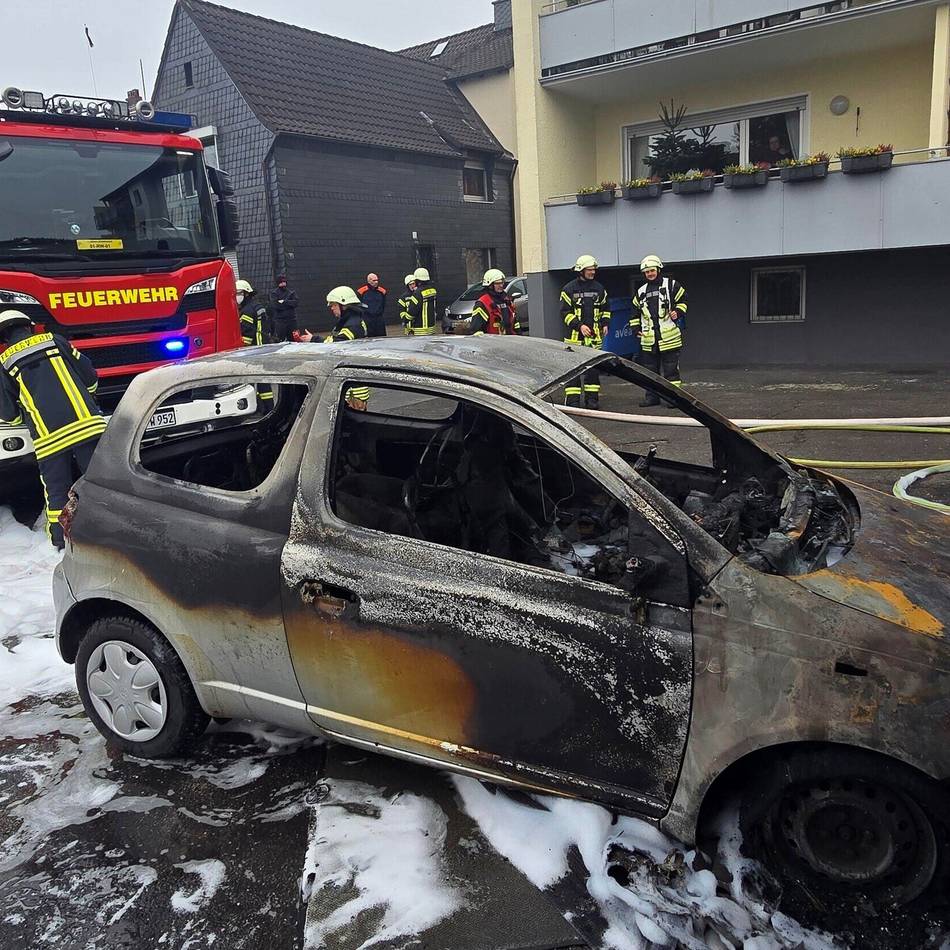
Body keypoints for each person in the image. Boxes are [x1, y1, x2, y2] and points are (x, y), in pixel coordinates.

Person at [0, 309, 106, 548]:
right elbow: (89, 376)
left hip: (50, 439)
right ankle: (109, 529)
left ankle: (60, 540)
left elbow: (7, 412)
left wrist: (24, 421)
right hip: (87, 425)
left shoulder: (5, 362)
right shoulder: (55, 341)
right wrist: (86, 399)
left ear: (4, 337)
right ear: (29, 326)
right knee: (99, 481)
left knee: (57, 492)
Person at [298, 287, 370, 410]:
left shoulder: (352, 325)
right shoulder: (350, 321)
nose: (331, 308)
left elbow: (335, 345)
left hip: (354, 390)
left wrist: (313, 339)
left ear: (344, 305)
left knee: (355, 420)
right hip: (353, 383)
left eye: (333, 305)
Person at [631, 254, 688, 407]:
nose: (649, 274)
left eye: (652, 270)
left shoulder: (671, 285)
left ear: (658, 269)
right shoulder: (641, 291)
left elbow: (684, 300)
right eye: (647, 272)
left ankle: (674, 399)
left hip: (669, 338)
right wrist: (635, 328)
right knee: (650, 372)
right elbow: (635, 312)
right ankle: (652, 398)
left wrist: (678, 311)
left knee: (671, 372)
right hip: (649, 339)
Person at [560, 254, 610, 409]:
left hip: (594, 338)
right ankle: (573, 402)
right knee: (573, 371)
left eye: (593, 269)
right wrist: (579, 325)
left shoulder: (599, 288)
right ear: (581, 270)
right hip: (574, 338)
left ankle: (592, 401)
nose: (592, 272)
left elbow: (605, 309)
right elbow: (565, 313)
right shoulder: (568, 289)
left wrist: (605, 324)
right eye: (589, 270)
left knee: (593, 371)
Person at [470, 269, 519, 335]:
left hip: (510, 341)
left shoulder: (507, 300)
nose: (501, 285)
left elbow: (515, 324)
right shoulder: (482, 304)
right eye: (497, 283)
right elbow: (476, 331)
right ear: (490, 285)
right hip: (492, 343)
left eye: (502, 282)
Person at [404, 267, 438, 336]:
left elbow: (412, 311)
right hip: (431, 328)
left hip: (421, 329)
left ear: (417, 280)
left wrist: (405, 320)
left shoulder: (418, 293)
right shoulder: (433, 290)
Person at [237, 279, 268, 346]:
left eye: (239, 293)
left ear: (247, 293)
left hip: (255, 349)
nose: (237, 296)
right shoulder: (256, 305)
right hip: (264, 345)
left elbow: (247, 336)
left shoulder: (247, 310)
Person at [269, 275, 299, 342]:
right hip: (280, 322)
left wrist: (284, 302)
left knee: (294, 340)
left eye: (284, 282)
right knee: (280, 340)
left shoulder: (291, 292)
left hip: (292, 321)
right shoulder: (274, 293)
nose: (283, 284)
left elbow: (296, 303)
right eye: (281, 282)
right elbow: (276, 306)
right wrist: (289, 305)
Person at [357, 273, 388, 337]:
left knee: (382, 338)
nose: (376, 282)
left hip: (379, 319)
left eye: (377, 280)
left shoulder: (382, 291)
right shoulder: (361, 291)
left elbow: (383, 304)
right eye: (374, 280)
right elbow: (358, 305)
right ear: (369, 281)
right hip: (367, 319)